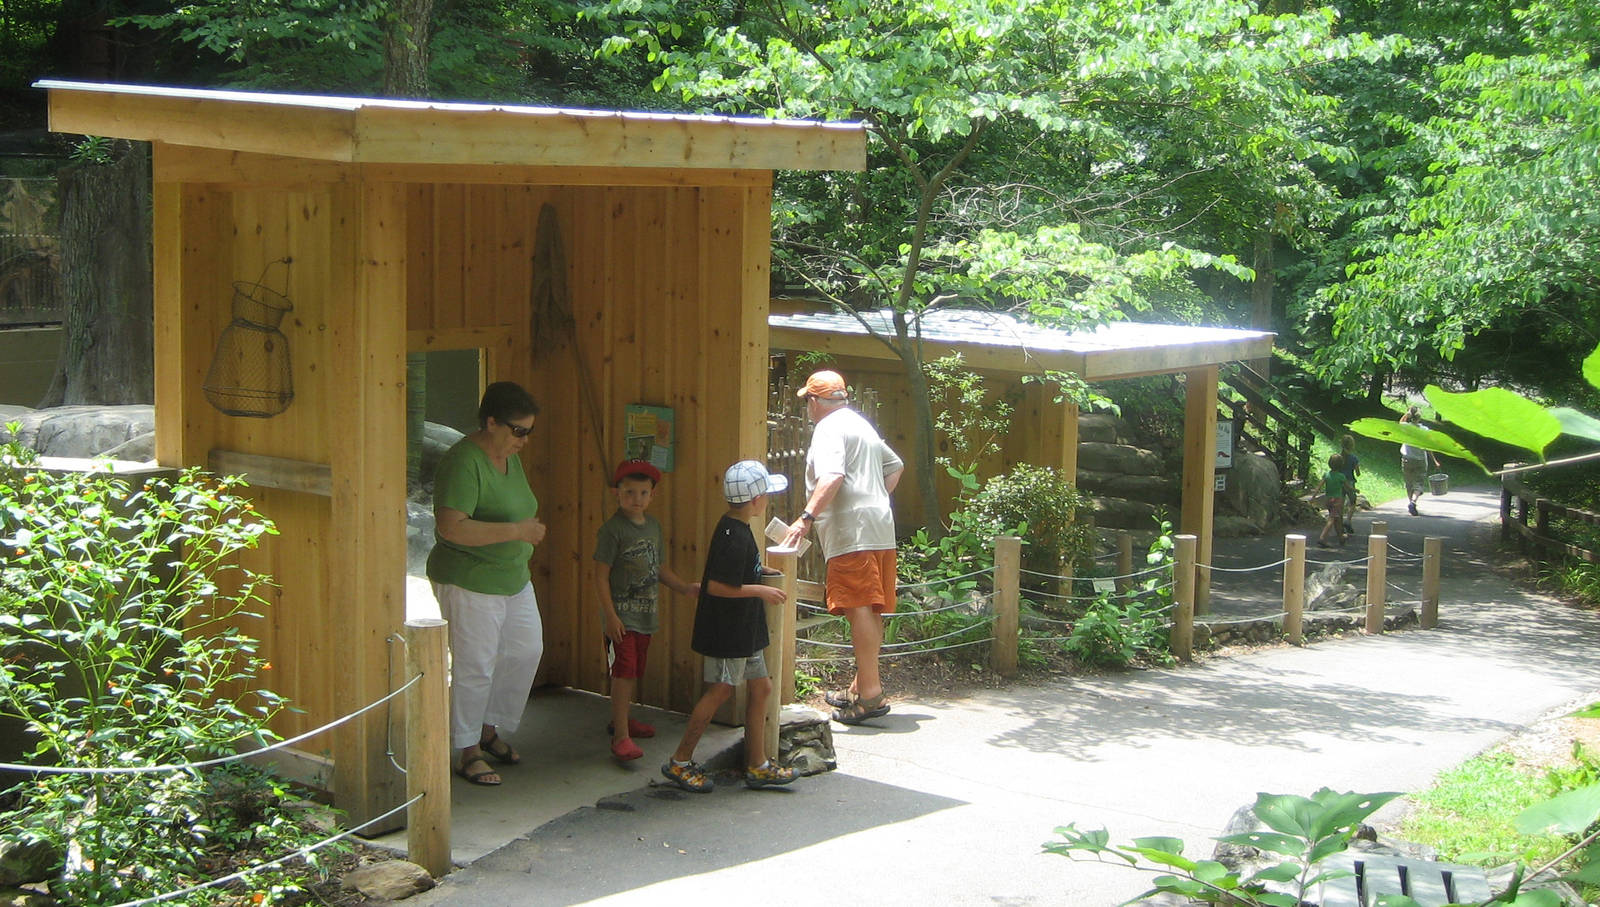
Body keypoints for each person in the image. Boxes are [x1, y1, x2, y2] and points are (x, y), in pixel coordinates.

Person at [427, 381, 547, 787]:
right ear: (491, 422)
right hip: (470, 579)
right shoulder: (463, 462)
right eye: (519, 431)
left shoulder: (509, 455)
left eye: (529, 431)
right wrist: (516, 531)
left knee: (525, 650)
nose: (524, 440)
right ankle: (467, 751)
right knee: (475, 664)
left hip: (513, 574)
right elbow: (451, 528)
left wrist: (519, 535)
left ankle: (487, 729)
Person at [660, 459, 799, 792]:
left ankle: (757, 764)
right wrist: (761, 590)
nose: (767, 500)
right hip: (727, 630)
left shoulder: (736, 527)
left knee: (761, 687)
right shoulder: (733, 535)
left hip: (745, 629)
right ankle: (680, 761)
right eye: (765, 495)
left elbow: (736, 571)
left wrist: (758, 572)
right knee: (721, 689)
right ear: (755, 500)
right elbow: (717, 586)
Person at [781, 369, 904, 725]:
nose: (808, 407)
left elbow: (832, 475)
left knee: (858, 606)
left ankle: (870, 694)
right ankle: (859, 686)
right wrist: (873, 498)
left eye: (808, 400)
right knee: (871, 606)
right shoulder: (860, 424)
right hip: (879, 526)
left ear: (815, 401)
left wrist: (805, 518)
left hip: (852, 532)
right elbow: (895, 466)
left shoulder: (828, 428)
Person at [593, 458, 699, 762]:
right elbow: (600, 575)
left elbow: (658, 567)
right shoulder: (612, 531)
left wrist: (683, 587)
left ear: (652, 495)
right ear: (617, 493)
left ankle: (622, 721)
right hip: (621, 617)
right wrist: (610, 616)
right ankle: (620, 737)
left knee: (634, 670)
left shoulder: (653, 526)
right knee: (624, 671)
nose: (636, 499)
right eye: (629, 492)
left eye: (643, 493)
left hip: (645, 614)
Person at [1399, 407, 1438, 516]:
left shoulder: (1406, 427)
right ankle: (1413, 502)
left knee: (1409, 483)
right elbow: (1428, 447)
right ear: (1419, 418)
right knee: (1419, 483)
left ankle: (1411, 503)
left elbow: (1400, 422)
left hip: (1407, 458)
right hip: (1420, 460)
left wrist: (1406, 414)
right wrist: (1434, 460)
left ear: (1410, 417)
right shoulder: (1424, 429)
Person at [1319, 453, 1348, 549]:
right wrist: (1354, 490)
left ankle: (1341, 537)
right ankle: (1322, 537)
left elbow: (1319, 486)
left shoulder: (1326, 475)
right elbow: (1347, 486)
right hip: (1337, 501)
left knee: (1337, 519)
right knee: (1332, 519)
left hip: (1328, 500)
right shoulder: (1341, 476)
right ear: (1341, 464)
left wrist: (1314, 496)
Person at [1338, 434, 1361, 534]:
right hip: (1350, 482)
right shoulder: (1354, 458)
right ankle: (1348, 520)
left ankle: (1339, 525)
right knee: (1352, 502)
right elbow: (1358, 473)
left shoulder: (1339, 457)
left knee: (1340, 503)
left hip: (1339, 482)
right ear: (1352, 445)